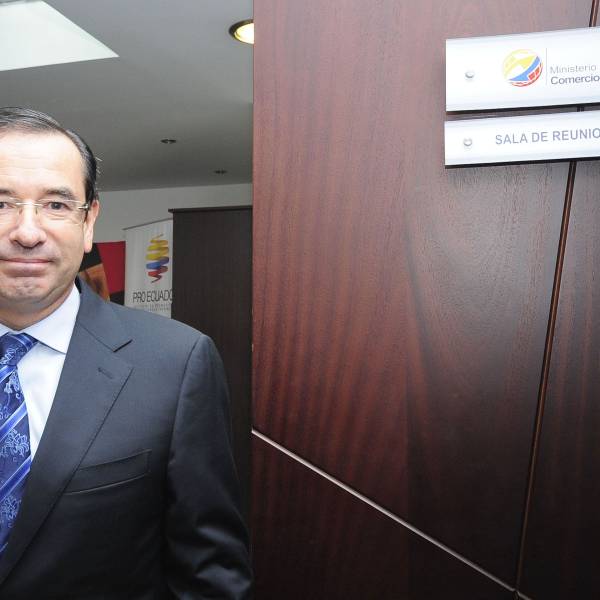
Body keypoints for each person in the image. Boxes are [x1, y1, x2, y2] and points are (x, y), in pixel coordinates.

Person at [0, 107, 252, 598]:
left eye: (56, 204)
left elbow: (211, 574)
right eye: (1, 203)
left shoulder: (176, 363)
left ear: (88, 222)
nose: (27, 232)